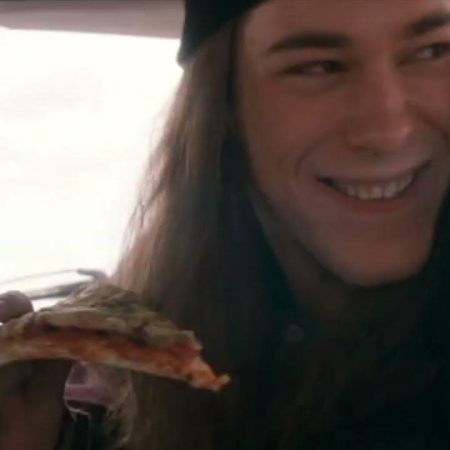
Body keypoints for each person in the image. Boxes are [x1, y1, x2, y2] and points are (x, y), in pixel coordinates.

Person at [2, 0, 450, 448]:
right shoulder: (157, 347)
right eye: (318, 67)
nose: (387, 131)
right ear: (225, 109)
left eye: (434, 50)